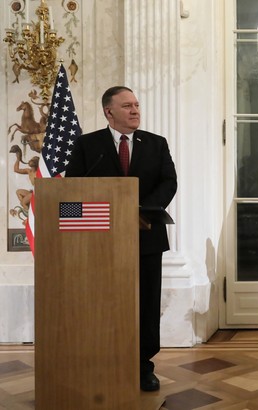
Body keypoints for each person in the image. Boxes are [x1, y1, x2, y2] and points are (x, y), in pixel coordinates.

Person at [65, 86, 178, 392]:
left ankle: (144, 367)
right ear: (108, 112)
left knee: (146, 303)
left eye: (137, 105)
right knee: (104, 303)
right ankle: (103, 363)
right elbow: (72, 188)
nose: (135, 110)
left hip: (146, 236)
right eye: (127, 106)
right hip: (100, 239)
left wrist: (139, 209)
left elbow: (169, 182)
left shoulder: (156, 144)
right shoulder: (89, 145)